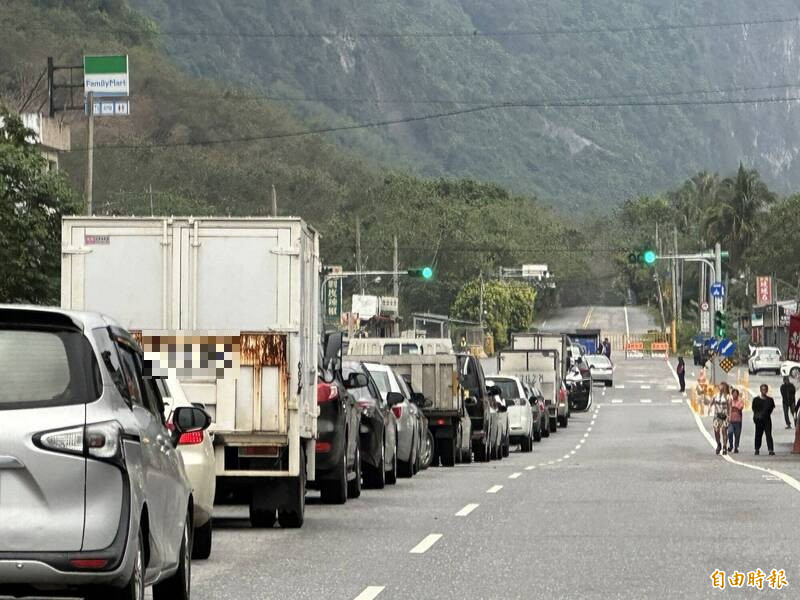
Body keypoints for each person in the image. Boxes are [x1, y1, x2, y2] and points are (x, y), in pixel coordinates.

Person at [752, 383, 776, 456]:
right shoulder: (756, 399)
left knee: (768, 434)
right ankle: (757, 449)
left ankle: (770, 449)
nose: (764, 391)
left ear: (767, 390)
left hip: (767, 420)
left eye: (765, 389)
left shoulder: (770, 400)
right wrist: (758, 415)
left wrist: (765, 414)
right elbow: (754, 408)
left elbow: (771, 408)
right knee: (758, 435)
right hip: (759, 420)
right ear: (760, 390)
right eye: (762, 389)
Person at [708, 382, 731, 455]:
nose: (721, 387)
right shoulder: (715, 396)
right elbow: (711, 402)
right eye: (720, 386)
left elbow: (730, 407)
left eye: (723, 386)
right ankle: (719, 444)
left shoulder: (728, 397)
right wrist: (709, 408)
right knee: (716, 430)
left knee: (724, 431)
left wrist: (729, 416)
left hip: (724, 416)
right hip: (717, 416)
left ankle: (724, 446)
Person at [727, 388, 744, 453]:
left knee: (737, 435)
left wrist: (735, 408)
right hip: (730, 420)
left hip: (738, 420)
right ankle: (731, 445)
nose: (734, 395)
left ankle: (736, 447)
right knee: (730, 432)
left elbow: (740, 408)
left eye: (736, 394)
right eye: (733, 394)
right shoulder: (730, 401)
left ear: (738, 394)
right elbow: (727, 408)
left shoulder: (740, 401)